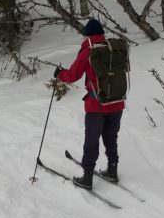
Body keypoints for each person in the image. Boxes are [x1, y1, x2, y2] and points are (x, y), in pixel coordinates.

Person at [53, 18, 124, 190]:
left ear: (87, 35)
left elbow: (73, 75)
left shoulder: (88, 51)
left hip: (96, 104)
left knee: (91, 140)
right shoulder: (113, 49)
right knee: (111, 136)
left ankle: (87, 177)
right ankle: (112, 170)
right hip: (117, 102)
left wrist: (59, 74)